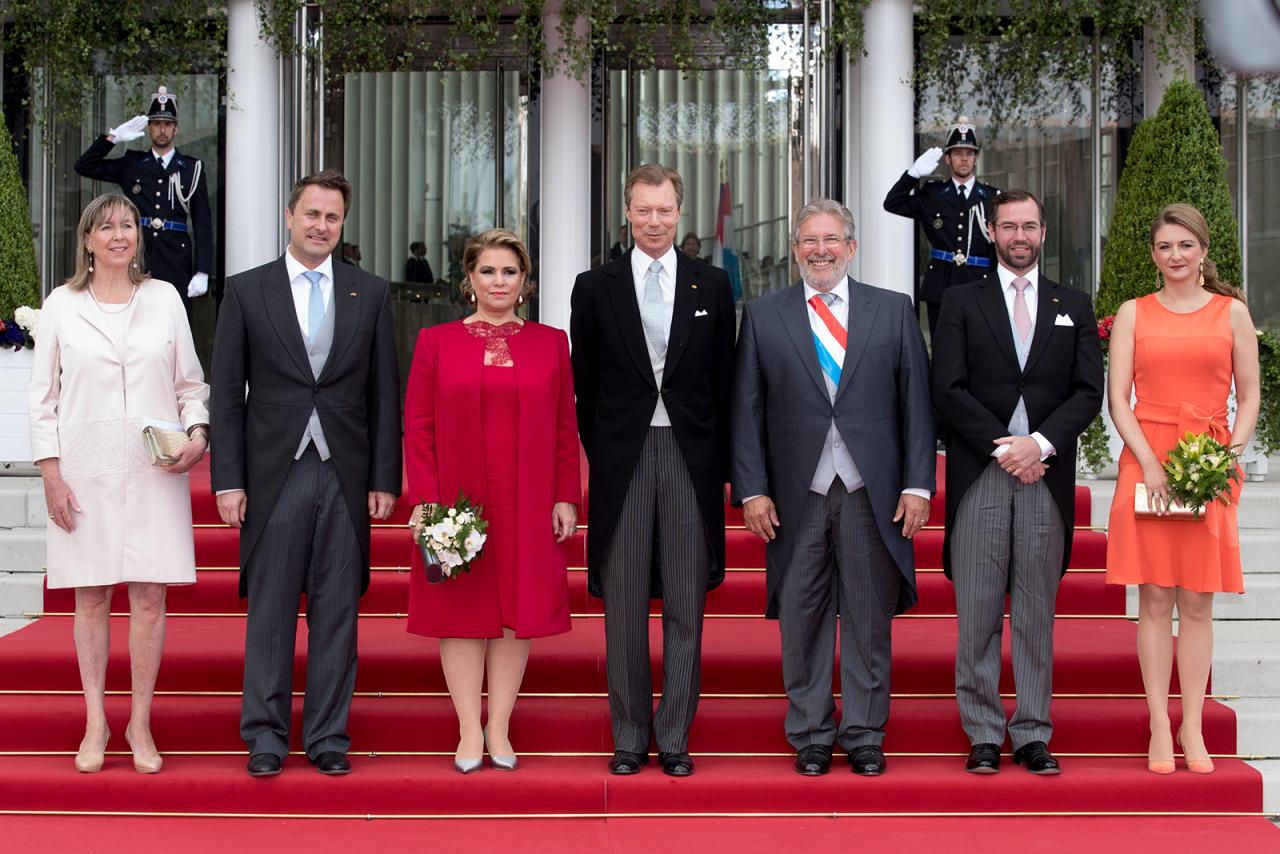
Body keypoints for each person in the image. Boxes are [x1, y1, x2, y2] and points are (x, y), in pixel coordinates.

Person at [731, 198, 935, 778]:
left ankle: (866, 733)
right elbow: (745, 410)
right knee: (802, 617)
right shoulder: (764, 315)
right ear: (795, 249)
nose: (819, 250)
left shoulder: (892, 311)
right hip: (796, 495)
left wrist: (918, 484)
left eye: (830, 240)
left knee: (870, 620)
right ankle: (813, 733)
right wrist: (752, 490)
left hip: (873, 490)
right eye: (808, 241)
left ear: (851, 246)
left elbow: (916, 405)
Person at [210, 170, 402, 778]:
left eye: (333, 217)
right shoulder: (246, 291)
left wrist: (384, 477)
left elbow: (383, 394)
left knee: (338, 611)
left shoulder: (368, 292)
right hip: (274, 474)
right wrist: (228, 479)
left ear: (343, 225)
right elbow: (227, 397)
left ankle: (326, 736)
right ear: (288, 217)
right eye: (312, 214)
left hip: (344, 473)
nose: (322, 226)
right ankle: (264, 735)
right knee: (269, 611)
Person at [29, 193, 210, 775]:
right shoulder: (61, 304)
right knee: (91, 596)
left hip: (154, 470)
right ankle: (94, 722)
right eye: (105, 227)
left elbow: (190, 385)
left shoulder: (164, 299)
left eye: (127, 224)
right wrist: (51, 475)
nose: (118, 235)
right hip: (84, 471)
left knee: (151, 597)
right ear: (86, 239)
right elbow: (43, 401)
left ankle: (139, 722)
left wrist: (198, 434)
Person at [570, 163, 736, 778]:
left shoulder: (712, 285)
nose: (654, 221)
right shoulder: (595, 286)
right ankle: (629, 733)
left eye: (664, 210)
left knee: (686, 606)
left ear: (680, 212)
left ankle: (674, 735)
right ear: (627, 212)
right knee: (624, 604)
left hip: (692, 460)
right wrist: (609, 449)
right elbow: (583, 384)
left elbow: (727, 380)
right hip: (625, 461)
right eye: (643, 210)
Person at [931, 189, 1104, 776]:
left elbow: (1087, 392)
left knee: (1036, 611)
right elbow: (947, 389)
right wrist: (1008, 447)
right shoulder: (959, 302)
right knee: (977, 611)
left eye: (1029, 226)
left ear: (1044, 232)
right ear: (993, 233)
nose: (1019, 237)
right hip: (983, 471)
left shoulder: (1074, 304)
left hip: (1045, 476)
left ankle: (1032, 732)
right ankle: (982, 731)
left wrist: (1041, 445)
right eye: (1008, 227)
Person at [403, 229, 580, 773]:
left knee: (517, 608)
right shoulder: (436, 342)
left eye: (509, 272)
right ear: (469, 279)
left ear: (524, 282)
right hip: (456, 496)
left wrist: (565, 497)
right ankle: (467, 729)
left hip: (527, 496)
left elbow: (563, 428)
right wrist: (428, 503)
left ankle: (499, 724)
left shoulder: (551, 342)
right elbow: (419, 426)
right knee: (461, 610)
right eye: (488, 271)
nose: (498, 281)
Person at [1104, 203, 1259, 776]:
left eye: (1185, 246)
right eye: (1165, 246)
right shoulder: (1133, 314)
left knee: (1197, 599)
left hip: (1210, 461)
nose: (1175, 256)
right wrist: (1148, 462)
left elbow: (1251, 397)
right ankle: (1158, 723)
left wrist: (1226, 459)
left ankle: (1192, 723)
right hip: (1148, 459)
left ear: (1202, 250)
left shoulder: (1232, 313)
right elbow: (1119, 398)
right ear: (1153, 254)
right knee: (1155, 597)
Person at [74, 86, 212, 313]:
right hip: (137, 252)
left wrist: (202, 270)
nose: (162, 130)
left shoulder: (191, 168)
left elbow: (202, 222)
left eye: (167, 124)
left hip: (175, 257)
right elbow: (84, 166)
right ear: (149, 128)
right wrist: (113, 138)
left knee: (173, 320)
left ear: (176, 128)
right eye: (157, 124)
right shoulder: (133, 163)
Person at [883, 117, 998, 339]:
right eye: (957, 153)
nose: (964, 159)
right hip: (942, 286)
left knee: (980, 349)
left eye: (969, 153)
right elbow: (892, 203)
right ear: (947, 158)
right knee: (943, 350)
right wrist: (912, 175)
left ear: (975, 158)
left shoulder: (992, 198)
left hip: (980, 283)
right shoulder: (932, 194)